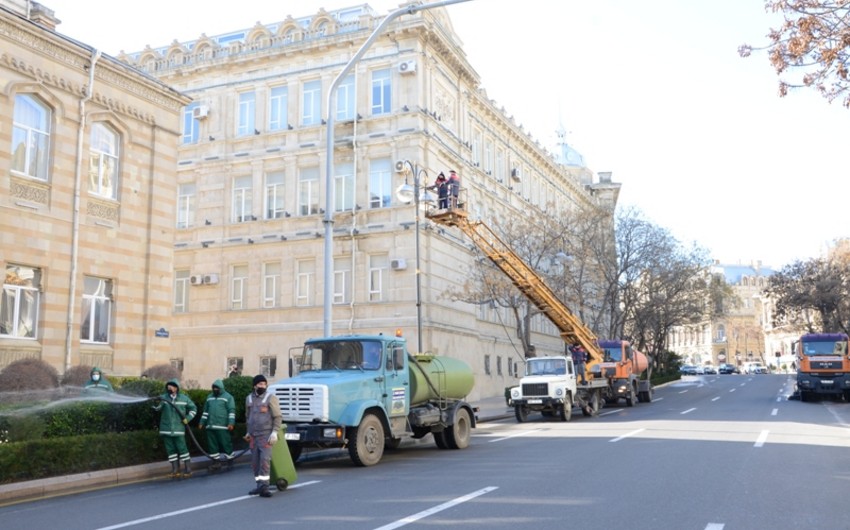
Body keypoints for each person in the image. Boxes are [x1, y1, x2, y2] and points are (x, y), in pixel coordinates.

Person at [245, 374, 282, 498]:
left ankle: (265, 487)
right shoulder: (249, 399)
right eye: (260, 384)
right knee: (255, 463)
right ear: (254, 385)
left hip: (265, 435)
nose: (262, 386)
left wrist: (275, 432)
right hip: (253, 436)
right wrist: (247, 432)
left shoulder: (270, 398)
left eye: (264, 384)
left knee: (264, 461)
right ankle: (259, 485)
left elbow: (277, 416)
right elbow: (248, 417)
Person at [153, 379, 198, 479]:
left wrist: (187, 418)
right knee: (171, 450)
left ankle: (188, 469)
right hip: (166, 429)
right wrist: (156, 403)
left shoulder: (184, 398)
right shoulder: (164, 398)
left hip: (178, 429)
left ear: (176, 388)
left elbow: (194, 409)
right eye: (168, 386)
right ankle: (175, 470)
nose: (170, 388)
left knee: (183, 449)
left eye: (172, 386)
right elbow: (158, 409)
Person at [199, 379, 236, 472]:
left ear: (221, 388)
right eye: (214, 388)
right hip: (210, 426)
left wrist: (231, 423)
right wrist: (201, 422)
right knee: (212, 445)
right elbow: (205, 412)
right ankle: (216, 462)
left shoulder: (228, 397)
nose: (215, 389)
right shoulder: (209, 397)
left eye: (217, 388)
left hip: (222, 426)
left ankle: (230, 461)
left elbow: (231, 411)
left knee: (226, 444)